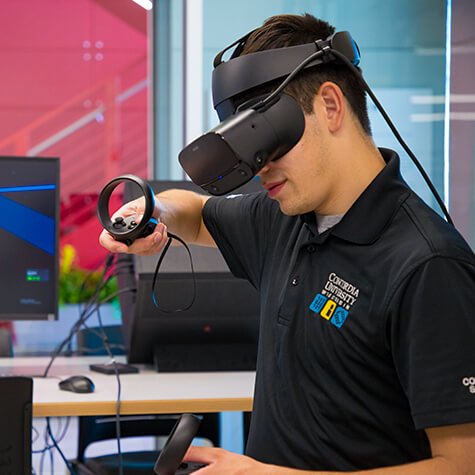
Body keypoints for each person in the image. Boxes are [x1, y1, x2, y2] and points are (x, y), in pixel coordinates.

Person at [100, 13, 475, 474]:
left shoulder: (428, 266)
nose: (260, 168)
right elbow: (194, 212)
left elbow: (462, 464)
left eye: (269, 142)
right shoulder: (286, 217)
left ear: (332, 106)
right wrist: (151, 214)